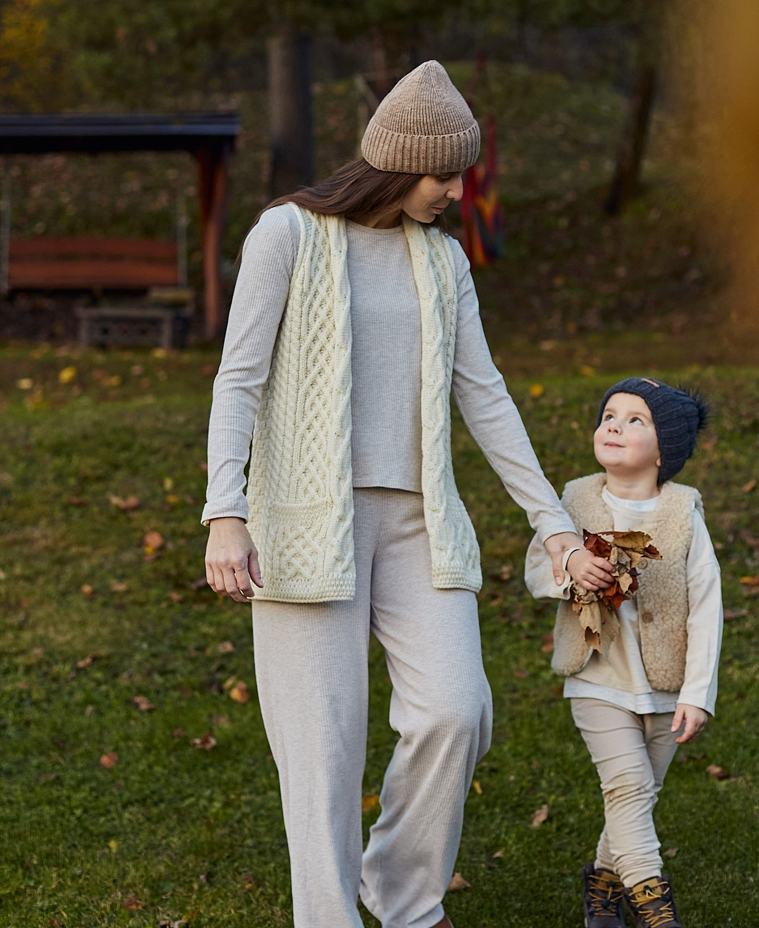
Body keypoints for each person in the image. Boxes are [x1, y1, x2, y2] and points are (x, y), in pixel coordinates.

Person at [202, 60, 590, 928]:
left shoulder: (444, 259)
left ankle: (404, 895)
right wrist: (225, 513)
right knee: (323, 752)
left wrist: (555, 528)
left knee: (457, 711)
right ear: (400, 163)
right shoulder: (287, 235)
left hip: (420, 523)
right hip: (304, 523)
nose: (456, 192)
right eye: (445, 175)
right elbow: (239, 380)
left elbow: (486, 397)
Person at [525, 377, 724, 928]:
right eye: (609, 415)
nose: (614, 425)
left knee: (635, 798)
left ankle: (603, 885)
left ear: (664, 451)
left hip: (666, 688)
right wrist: (571, 572)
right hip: (597, 679)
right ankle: (656, 908)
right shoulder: (574, 500)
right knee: (628, 786)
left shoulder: (683, 513)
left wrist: (697, 693)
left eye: (636, 420)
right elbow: (537, 569)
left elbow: (706, 606)